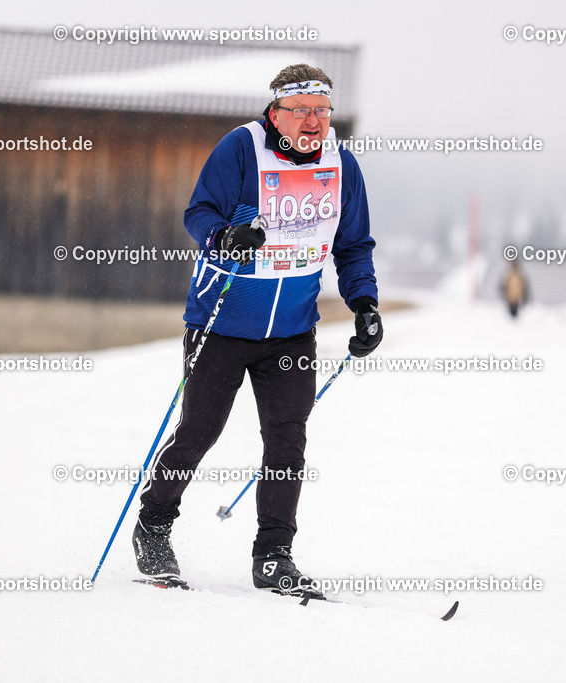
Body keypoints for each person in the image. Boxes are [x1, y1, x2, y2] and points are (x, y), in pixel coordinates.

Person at [131, 64, 382, 599]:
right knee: (199, 431)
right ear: (276, 112)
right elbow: (198, 212)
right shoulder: (242, 149)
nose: (313, 121)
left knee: (287, 439)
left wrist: (364, 304)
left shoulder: (342, 166)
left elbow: (353, 245)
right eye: (301, 110)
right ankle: (154, 526)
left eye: (322, 110)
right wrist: (225, 237)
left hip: (291, 331)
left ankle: (273, 555)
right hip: (222, 321)